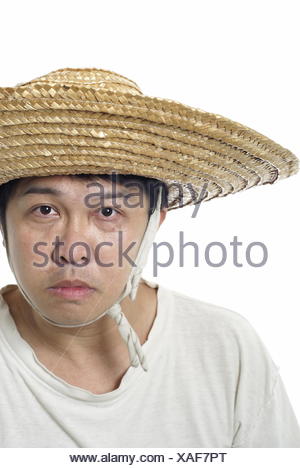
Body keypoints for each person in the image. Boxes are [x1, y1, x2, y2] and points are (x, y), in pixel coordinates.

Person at [0, 67, 299, 448]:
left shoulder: (225, 349)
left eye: (108, 212)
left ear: (153, 223)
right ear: (4, 222)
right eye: (45, 210)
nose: (72, 248)